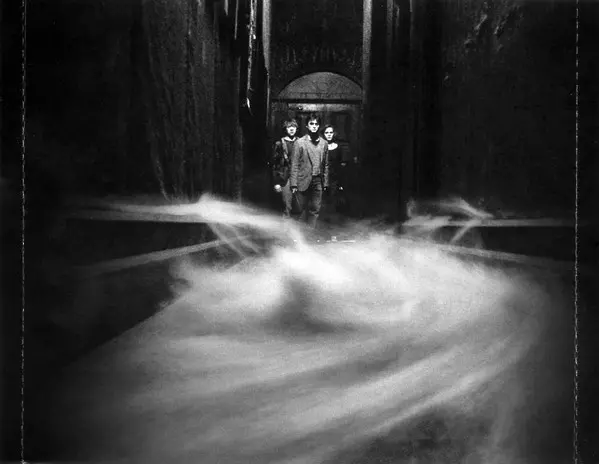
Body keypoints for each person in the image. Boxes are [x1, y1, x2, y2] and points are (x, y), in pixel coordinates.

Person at [290, 114, 329, 229]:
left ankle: (310, 234)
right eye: (311, 124)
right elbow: (294, 164)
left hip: (318, 181)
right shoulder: (300, 143)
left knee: (315, 209)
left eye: (316, 124)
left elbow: (326, 165)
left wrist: (325, 183)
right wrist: (293, 184)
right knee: (299, 210)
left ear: (319, 126)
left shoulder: (324, 143)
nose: (314, 126)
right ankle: (297, 234)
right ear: (307, 126)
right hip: (303, 180)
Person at [271, 119, 299, 218]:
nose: (291, 129)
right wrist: (276, 182)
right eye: (289, 127)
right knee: (287, 205)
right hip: (284, 177)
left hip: (299, 177)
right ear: (285, 129)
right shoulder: (279, 144)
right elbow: (275, 164)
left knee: (300, 206)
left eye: (293, 127)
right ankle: (286, 225)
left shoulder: (301, 142)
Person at [322, 125, 349, 221]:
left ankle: (333, 225)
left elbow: (342, 166)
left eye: (331, 132)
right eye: (326, 133)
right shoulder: (320, 146)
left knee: (334, 201)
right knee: (322, 203)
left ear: (334, 134)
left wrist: (341, 183)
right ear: (323, 134)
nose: (329, 134)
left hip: (335, 179)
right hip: (322, 179)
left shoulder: (339, 147)